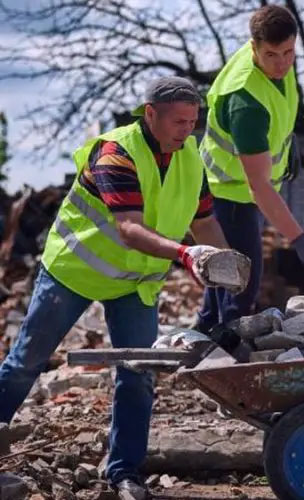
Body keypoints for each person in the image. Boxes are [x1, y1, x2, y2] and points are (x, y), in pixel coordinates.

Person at [0, 77, 230, 499]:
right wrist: (185, 256)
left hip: (134, 285)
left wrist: (225, 261)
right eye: (179, 121)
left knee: (138, 374)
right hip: (75, 273)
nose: (187, 130)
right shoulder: (115, 153)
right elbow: (129, 229)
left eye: (193, 122)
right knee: (26, 362)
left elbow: (204, 222)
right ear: (150, 115)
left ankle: (125, 473)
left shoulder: (190, 157)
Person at [195, 5, 304, 332]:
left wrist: (288, 143)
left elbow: (280, 106)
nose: (283, 63)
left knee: (224, 276)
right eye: (272, 55)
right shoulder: (247, 103)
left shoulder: (278, 59)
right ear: (253, 46)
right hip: (226, 192)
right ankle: (224, 354)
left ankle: (201, 338)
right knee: (243, 281)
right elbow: (260, 186)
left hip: (238, 188)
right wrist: (300, 240)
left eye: (289, 53)